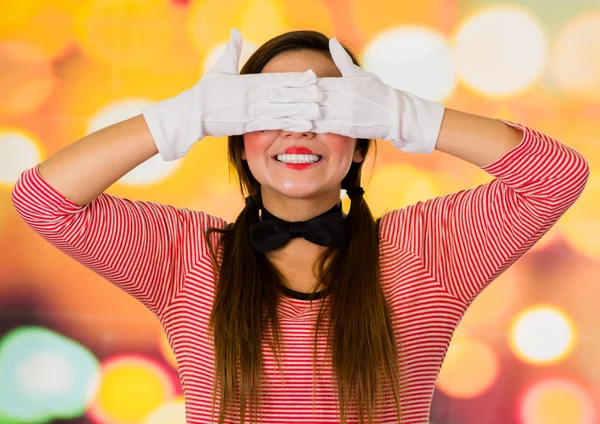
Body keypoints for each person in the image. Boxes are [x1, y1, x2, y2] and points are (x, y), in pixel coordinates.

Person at [11, 28, 589, 424]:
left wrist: (404, 113)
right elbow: (43, 199)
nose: (299, 130)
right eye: (270, 113)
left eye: (328, 111)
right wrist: (182, 117)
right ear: (238, 144)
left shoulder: (424, 251)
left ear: (361, 144)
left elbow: (557, 175)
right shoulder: (186, 257)